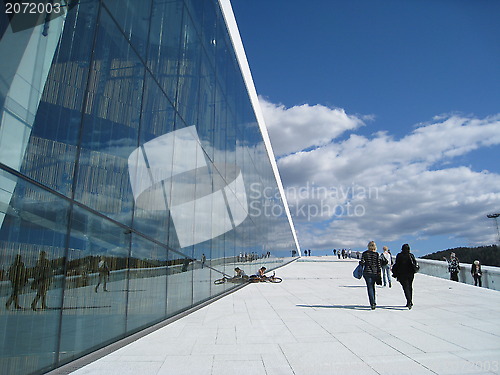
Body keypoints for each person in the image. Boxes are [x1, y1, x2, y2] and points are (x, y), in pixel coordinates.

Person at [391, 244, 417, 309]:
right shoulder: (411, 255)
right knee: (410, 286)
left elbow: (397, 265)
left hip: (402, 274)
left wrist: (395, 273)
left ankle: (409, 301)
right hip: (410, 273)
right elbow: (415, 263)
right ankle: (410, 300)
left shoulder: (399, 255)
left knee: (405, 287)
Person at [359, 241, 381, 310]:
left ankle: (372, 303)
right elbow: (378, 264)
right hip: (374, 272)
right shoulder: (376, 254)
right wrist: (379, 272)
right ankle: (374, 301)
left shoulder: (365, 253)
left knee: (369, 287)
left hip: (367, 272)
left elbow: (362, 262)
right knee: (373, 286)